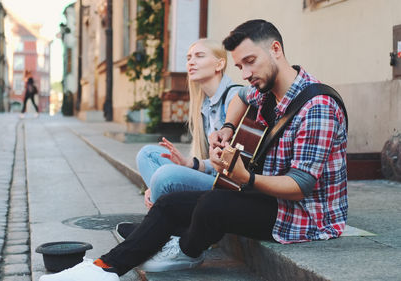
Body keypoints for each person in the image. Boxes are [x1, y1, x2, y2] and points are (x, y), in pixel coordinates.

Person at [39, 19, 348, 281]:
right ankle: (102, 269)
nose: (244, 73)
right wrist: (226, 130)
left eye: (250, 62)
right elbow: (242, 98)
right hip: (268, 197)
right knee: (170, 203)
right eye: (240, 65)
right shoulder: (265, 89)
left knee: (212, 205)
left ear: (276, 50)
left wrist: (246, 179)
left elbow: (301, 185)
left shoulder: (316, 106)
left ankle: (184, 250)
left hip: (303, 216)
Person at [136, 38, 244, 209]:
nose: (191, 62)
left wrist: (194, 164)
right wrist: (189, 163)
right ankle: (162, 215)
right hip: (211, 174)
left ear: (219, 64)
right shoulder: (204, 103)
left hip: (228, 185)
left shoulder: (235, 97)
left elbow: (236, 162)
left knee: (165, 175)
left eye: (199, 56)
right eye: (188, 58)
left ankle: (162, 226)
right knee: (147, 154)